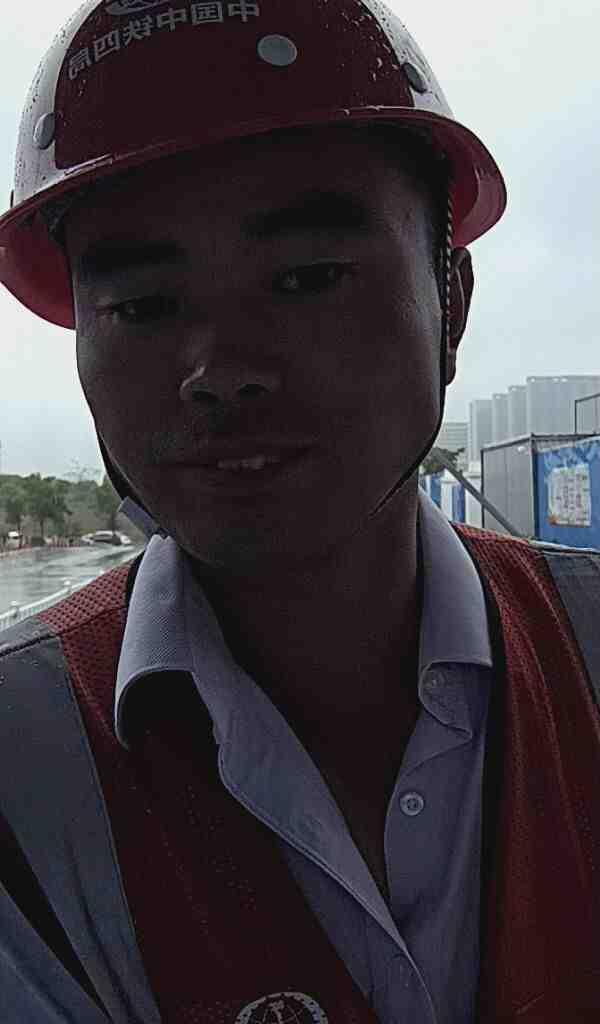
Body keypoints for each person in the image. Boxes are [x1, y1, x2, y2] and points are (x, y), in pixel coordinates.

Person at [0, 2, 598, 1022]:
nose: (219, 370)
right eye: (143, 306)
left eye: (307, 278)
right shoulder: (22, 765)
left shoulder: (586, 645)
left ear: (452, 303)